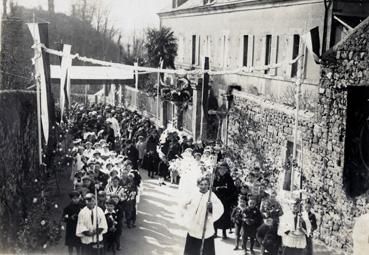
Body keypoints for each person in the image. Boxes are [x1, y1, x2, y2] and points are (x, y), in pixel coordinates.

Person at [183, 176, 224, 255]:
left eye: (206, 184)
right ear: (198, 185)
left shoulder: (211, 195)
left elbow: (220, 208)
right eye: (201, 184)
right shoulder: (194, 194)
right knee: (192, 249)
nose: (204, 186)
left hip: (206, 226)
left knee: (206, 249)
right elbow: (184, 204)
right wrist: (187, 206)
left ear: (208, 185)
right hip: (194, 225)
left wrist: (212, 207)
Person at [212, 162, 237, 239]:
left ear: (227, 170)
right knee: (215, 215)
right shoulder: (215, 178)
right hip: (216, 200)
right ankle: (215, 232)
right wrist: (217, 188)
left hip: (225, 200)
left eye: (224, 169)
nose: (222, 171)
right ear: (218, 169)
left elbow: (232, 190)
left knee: (224, 216)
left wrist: (228, 195)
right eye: (221, 169)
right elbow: (211, 188)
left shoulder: (229, 178)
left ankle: (224, 233)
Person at [63, 191, 83, 255]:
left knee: (78, 245)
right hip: (71, 228)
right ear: (71, 199)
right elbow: (64, 218)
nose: (76, 200)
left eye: (77, 198)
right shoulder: (67, 208)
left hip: (79, 227)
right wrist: (70, 218)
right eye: (74, 198)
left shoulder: (82, 206)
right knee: (70, 245)